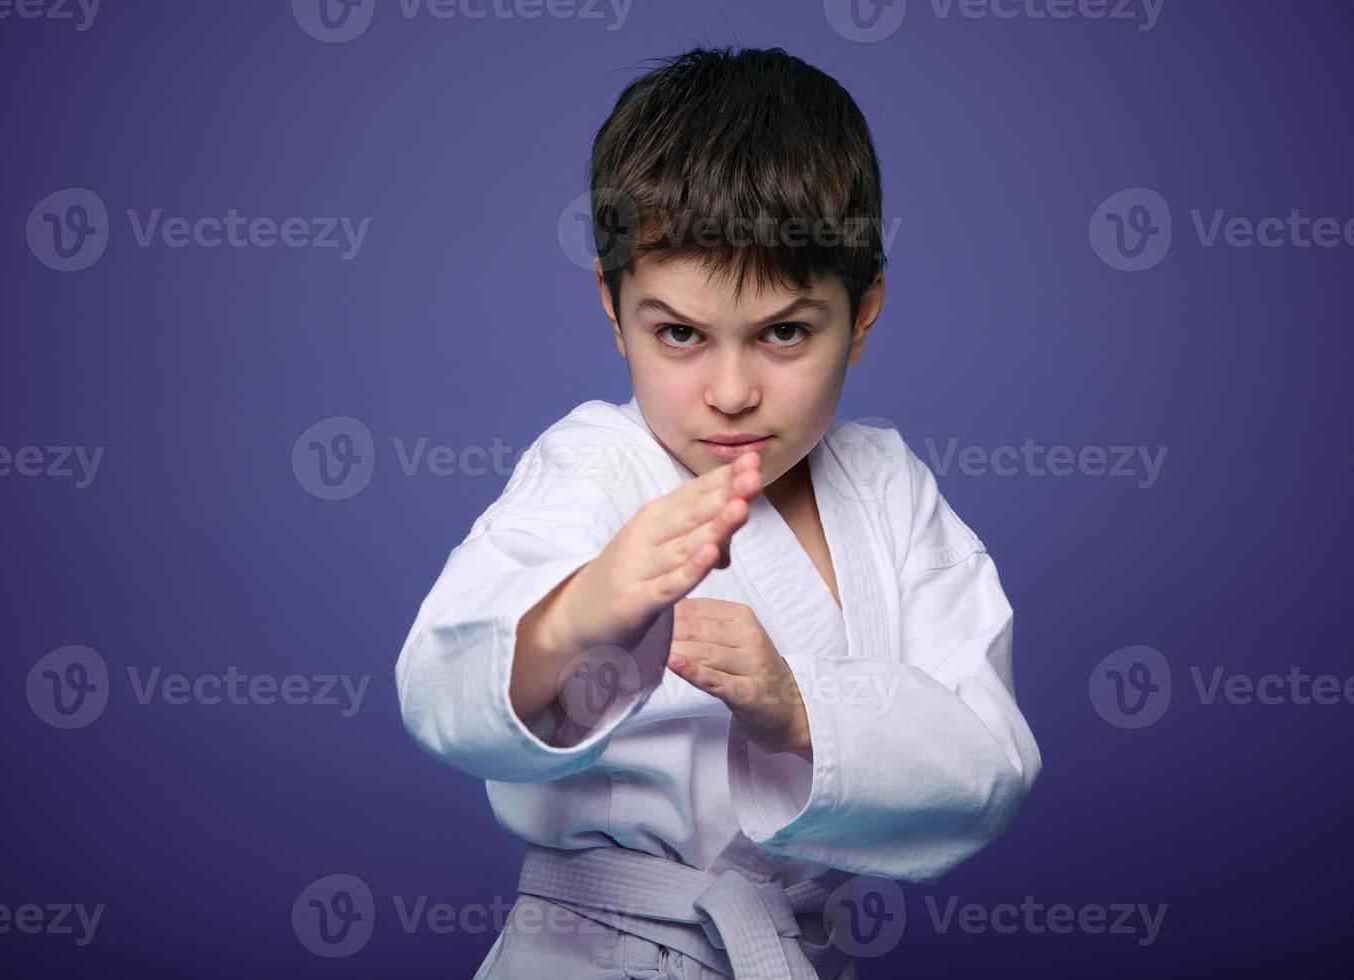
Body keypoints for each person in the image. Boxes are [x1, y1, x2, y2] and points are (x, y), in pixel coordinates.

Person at [394, 45, 1042, 980]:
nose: (730, 391)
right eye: (679, 335)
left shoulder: (888, 486)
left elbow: (989, 766)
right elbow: (437, 685)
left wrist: (798, 705)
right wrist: (578, 612)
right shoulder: (595, 464)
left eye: (784, 332)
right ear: (613, 312)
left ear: (862, 315)